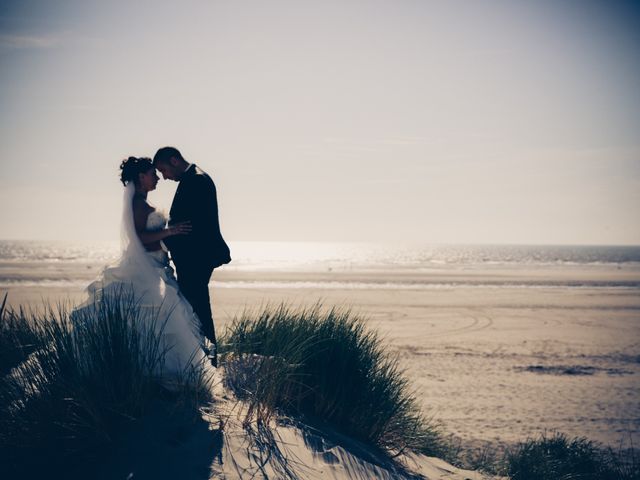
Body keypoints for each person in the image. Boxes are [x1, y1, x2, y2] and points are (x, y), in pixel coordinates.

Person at [75, 156, 210, 377]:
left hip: (157, 266)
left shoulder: (141, 203)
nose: (157, 178)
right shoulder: (138, 204)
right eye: (153, 174)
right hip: (147, 269)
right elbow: (140, 239)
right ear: (141, 177)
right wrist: (170, 232)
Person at [153, 147, 231, 367]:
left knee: (198, 308)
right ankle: (205, 357)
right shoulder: (192, 179)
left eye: (164, 170)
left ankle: (209, 360)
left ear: (175, 160)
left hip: (196, 258)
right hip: (193, 257)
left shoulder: (196, 180)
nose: (164, 176)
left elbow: (192, 226)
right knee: (195, 307)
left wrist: (159, 242)